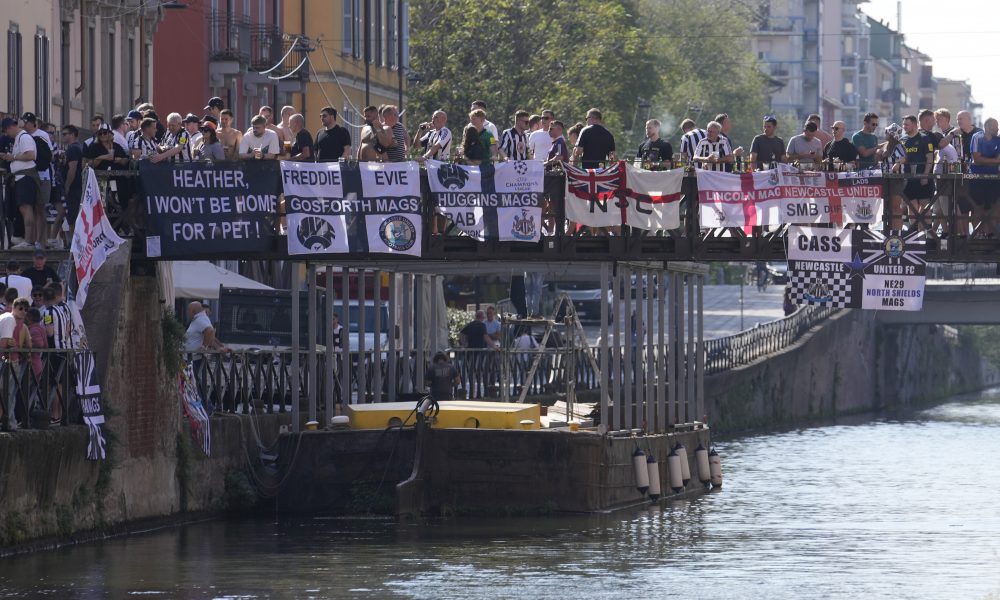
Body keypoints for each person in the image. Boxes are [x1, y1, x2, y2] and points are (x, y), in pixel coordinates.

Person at [1, 117, 40, 249]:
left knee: (26, 208)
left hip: (26, 177)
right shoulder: (19, 138)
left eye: (6, 131)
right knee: (23, 208)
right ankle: (27, 239)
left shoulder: (24, 138)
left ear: (10, 127)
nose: (7, 134)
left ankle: (28, 240)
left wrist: (13, 157)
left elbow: (31, 155)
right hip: (19, 177)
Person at [899, 114, 936, 231]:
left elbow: (930, 158)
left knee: (925, 206)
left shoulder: (925, 138)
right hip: (909, 178)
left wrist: (925, 175)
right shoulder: (903, 139)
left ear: (914, 125)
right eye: (903, 124)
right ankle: (914, 232)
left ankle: (927, 233)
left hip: (923, 178)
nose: (904, 127)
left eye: (907, 124)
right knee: (912, 206)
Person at [969, 118, 1000, 235]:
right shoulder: (977, 137)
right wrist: (994, 160)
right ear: (987, 127)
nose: (997, 128)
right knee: (977, 208)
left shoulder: (999, 139)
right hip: (977, 178)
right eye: (995, 126)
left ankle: (991, 235)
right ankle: (978, 235)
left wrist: (984, 160)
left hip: (994, 178)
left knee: (995, 208)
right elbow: (976, 159)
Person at [57, 125, 85, 245]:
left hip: (74, 188)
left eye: (65, 134)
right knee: (71, 216)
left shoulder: (73, 149)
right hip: (78, 187)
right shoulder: (79, 147)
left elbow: (72, 169)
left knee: (72, 217)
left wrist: (67, 186)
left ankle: (75, 244)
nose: (62, 136)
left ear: (72, 135)